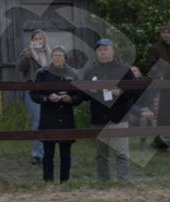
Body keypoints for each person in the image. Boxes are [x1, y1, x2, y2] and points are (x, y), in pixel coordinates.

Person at [80, 38, 149, 181]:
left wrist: (121, 92)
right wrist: (90, 91)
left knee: (121, 153)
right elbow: (82, 96)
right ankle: (103, 181)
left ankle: (123, 181)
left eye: (106, 49)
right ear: (96, 53)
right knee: (100, 155)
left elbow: (136, 91)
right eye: (100, 50)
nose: (102, 52)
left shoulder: (124, 69)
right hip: (98, 118)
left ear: (112, 51)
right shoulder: (90, 71)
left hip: (119, 117)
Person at [34, 47, 79, 182]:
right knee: (48, 153)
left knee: (66, 154)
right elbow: (34, 94)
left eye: (60, 55)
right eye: (55, 55)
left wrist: (71, 99)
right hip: (48, 116)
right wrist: (47, 98)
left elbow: (80, 95)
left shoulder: (73, 74)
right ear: (51, 57)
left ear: (65, 58)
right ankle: (48, 181)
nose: (57, 58)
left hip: (66, 116)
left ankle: (65, 181)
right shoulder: (42, 73)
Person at [16, 32, 51, 164]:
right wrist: (29, 52)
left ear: (45, 40)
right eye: (35, 39)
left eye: (41, 38)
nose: (38, 40)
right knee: (38, 121)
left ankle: (47, 153)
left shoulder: (50, 53)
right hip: (33, 90)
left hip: (49, 91)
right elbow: (19, 67)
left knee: (48, 121)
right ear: (31, 41)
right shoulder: (27, 52)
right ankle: (37, 154)